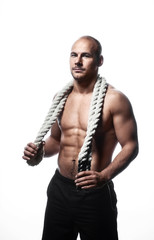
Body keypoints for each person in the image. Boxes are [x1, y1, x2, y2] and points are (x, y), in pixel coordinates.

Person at [23, 36, 139, 240]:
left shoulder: (115, 100)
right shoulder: (61, 97)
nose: (77, 61)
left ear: (99, 61)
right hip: (60, 189)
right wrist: (39, 152)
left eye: (85, 55)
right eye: (73, 55)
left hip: (94, 193)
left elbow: (130, 146)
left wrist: (104, 177)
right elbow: (56, 141)